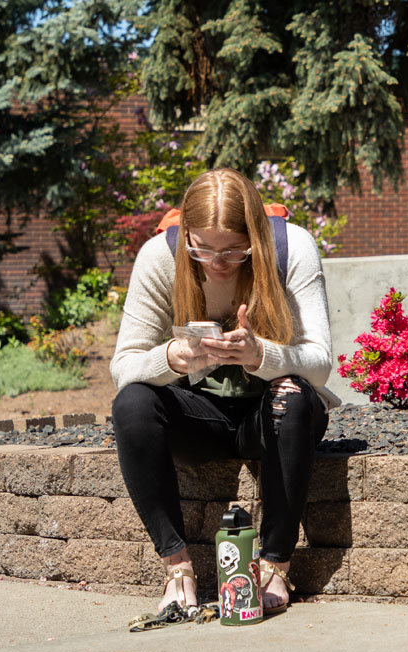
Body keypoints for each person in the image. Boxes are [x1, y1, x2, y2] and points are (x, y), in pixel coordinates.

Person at [110, 167, 338, 617]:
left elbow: (321, 363)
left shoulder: (292, 248)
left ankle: (275, 563)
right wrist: (173, 357)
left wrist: (260, 355)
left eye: (234, 249)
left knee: (292, 397)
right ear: (185, 232)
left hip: (272, 415)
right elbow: (124, 367)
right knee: (132, 403)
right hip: (199, 417)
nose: (217, 262)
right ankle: (177, 570)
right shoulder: (159, 257)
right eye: (203, 249)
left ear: (255, 232)